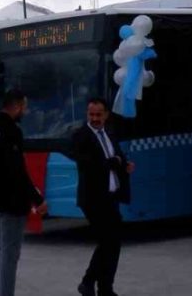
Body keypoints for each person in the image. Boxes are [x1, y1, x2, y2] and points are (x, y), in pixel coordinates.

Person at [0, 88, 46, 296]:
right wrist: (37, 199)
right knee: (9, 255)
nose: (26, 110)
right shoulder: (12, 131)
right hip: (12, 203)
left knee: (3, 252)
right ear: (15, 106)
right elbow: (17, 170)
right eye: (24, 106)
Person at [73, 97, 134, 296]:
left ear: (106, 114)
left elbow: (116, 157)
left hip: (111, 197)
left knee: (113, 243)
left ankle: (105, 287)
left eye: (99, 114)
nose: (95, 118)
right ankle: (88, 282)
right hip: (93, 199)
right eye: (91, 114)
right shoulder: (81, 136)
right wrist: (113, 162)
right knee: (107, 241)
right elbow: (89, 165)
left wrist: (123, 164)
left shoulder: (109, 133)